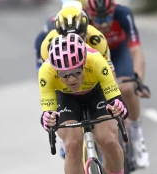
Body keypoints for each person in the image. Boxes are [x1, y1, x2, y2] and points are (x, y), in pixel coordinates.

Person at [38, 33, 135, 174]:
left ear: (84, 63)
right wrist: (48, 120)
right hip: (66, 99)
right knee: (72, 145)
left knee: (107, 138)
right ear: (55, 70)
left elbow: (117, 100)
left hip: (96, 92)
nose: (71, 79)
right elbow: (48, 113)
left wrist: (119, 108)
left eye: (76, 72)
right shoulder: (46, 72)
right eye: (64, 75)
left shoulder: (96, 61)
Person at [40, 2, 115, 159]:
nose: (74, 41)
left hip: (93, 84)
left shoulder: (97, 39)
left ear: (86, 31)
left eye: (80, 37)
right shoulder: (48, 45)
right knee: (72, 142)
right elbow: (49, 80)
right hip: (66, 90)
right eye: (67, 37)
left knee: (106, 135)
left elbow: (108, 75)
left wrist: (114, 100)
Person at [86, 0, 151, 168]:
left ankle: (137, 136)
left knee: (127, 88)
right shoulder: (83, 19)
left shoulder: (123, 13)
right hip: (96, 57)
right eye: (98, 20)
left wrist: (138, 80)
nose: (104, 24)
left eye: (108, 17)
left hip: (118, 52)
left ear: (113, 11)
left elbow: (136, 51)